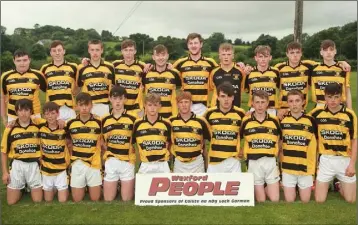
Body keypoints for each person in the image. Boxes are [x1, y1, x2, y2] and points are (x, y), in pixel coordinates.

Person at [275, 41, 352, 119]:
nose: (295, 55)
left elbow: (328, 62)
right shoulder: (278, 68)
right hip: (283, 110)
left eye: (298, 52)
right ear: (287, 54)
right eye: (292, 53)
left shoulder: (309, 66)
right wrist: (278, 109)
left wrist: (342, 62)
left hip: (302, 109)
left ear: (301, 53)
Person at [309, 82, 356, 203]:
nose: (333, 100)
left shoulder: (349, 115)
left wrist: (352, 164)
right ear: (325, 98)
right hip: (325, 160)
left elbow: (355, 140)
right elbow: (301, 119)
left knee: (350, 200)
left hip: (344, 160)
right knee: (319, 200)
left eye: (336, 97)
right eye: (329, 97)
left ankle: (339, 184)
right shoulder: (316, 113)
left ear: (341, 97)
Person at [240, 90, 281, 202]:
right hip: (254, 162)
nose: (260, 105)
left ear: (267, 103)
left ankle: (268, 186)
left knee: (275, 199)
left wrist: (277, 153)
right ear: (252, 103)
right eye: (257, 102)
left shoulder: (274, 120)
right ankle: (259, 187)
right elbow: (239, 138)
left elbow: (280, 139)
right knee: (261, 201)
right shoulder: (246, 121)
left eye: (263, 102)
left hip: (270, 161)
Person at [1, 99, 42, 205]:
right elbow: (4, 151)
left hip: (34, 164)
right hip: (17, 165)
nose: (23, 113)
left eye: (26, 110)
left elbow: (52, 122)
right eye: (20, 110)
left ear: (31, 111)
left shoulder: (38, 125)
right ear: (16, 112)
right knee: (11, 202)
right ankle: (22, 188)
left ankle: (28, 185)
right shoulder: (10, 128)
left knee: (37, 200)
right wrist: (5, 172)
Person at [279, 90, 317, 203]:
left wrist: (314, 169)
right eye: (291, 101)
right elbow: (279, 144)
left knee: (305, 200)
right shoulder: (282, 121)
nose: (294, 104)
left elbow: (316, 146)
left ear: (303, 102)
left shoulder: (310, 121)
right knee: (290, 200)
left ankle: (300, 187)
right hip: (287, 168)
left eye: (297, 101)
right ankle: (292, 187)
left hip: (305, 168)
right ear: (287, 103)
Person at [65, 92, 102, 202]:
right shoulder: (70, 123)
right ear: (76, 106)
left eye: (87, 105)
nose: (84, 108)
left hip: (93, 164)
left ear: (91, 105)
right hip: (77, 163)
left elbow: (104, 142)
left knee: (95, 199)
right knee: (77, 199)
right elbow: (67, 143)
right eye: (81, 105)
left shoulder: (99, 122)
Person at [101, 85, 136, 201]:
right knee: (108, 199)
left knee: (126, 199)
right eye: (115, 98)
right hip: (111, 160)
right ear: (110, 99)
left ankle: (123, 182)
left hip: (127, 161)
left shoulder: (133, 118)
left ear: (125, 99)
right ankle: (115, 183)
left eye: (120, 99)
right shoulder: (104, 119)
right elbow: (101, 140)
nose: (117, 102)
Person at [172, 33, 219, 116]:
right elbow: (165, 71)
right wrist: (149, 66)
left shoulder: (210, 63)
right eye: (191, 43)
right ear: (187, 45)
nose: (193, 46)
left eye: (196, 43)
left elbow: (224, 70)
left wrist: (239, 65)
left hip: (204, 107)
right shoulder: (180, 63)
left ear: (201, 44)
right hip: (186, 106)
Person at [204, 82, 245, 173]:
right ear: (217, 97)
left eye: (229, 96)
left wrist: (242, 148)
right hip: (215, 161)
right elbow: (202, 134)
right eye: (223, 96)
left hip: (233, 160)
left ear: (233, 97)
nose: (226, 100)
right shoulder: (209, 113)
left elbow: (246, 134)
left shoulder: (241, 114)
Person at [1, 50, 46, 124]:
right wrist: (3, 117)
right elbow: (2, 97)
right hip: (13, 116)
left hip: (34, 115)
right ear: (14, 61)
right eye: (18, 61)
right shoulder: (5, 76)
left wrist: (46, 113)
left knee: (35, 135)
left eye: (25, 60)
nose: (22, 63)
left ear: (29, 60)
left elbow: (49, 92)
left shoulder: (39, 75)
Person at [169, 91, 211, 172]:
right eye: (181, 102)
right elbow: (168, 144)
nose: (184, 105)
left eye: (186, 102)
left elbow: (206, 145)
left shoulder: (201, 121)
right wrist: (169, 166)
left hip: (197, 163)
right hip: (179, 164)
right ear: (177, 105)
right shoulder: (171, 121)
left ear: (191, 103)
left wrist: (207, 166)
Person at [132, 93, 172, 173]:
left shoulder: (167, 123)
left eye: (155, 105)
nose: (152, 108)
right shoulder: (137, 123)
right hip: (145, 165)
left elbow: (171, 143)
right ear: (145, 106)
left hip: (163, 164)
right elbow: (132, 144)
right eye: (150, 105)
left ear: (160, 106)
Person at [39, 101, 70, 202]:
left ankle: (62, 186)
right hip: (46, 170)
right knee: (48, 200)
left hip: (61, 169)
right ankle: (53, 188)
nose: (50, 116)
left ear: (58, 114)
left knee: (62, 201)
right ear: (43, 116)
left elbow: (70, 144)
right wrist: (13, 121)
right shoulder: (40, 127)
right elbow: (26, 119)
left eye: (53, 113)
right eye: (47, 114)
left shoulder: (65, 128)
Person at [41, 40, 78, 121]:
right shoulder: (45, 68)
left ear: (64, 51)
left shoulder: (73, 67)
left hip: (69, 108)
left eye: (59, 50)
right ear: (50, 53)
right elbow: (43, 88)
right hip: (52, 109)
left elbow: (78, 86)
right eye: (54, 51)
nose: (57, 53)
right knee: (54, 133)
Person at [77, 40, 115, 118]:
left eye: (97, 50)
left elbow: (113, 86)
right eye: (92, 50)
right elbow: (78, 87)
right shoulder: (82, 68)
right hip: (88, 107)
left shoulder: (110, 67)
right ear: (88, 50)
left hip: (104, 106)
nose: (95, 53)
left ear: (102, 50)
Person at [310, 40, 352, 109]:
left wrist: (350, 111)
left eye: (331, 50)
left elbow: (347, 92)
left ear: (335, 51)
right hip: (321, 107)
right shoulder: (313, 69)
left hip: (339, 107)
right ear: (321, 52)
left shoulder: (343, 68)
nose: (328, 52)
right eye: (325, 50)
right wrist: (343, 61)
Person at [143, 44, 182, 118]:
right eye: (157, 55)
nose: (160, 58)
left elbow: (182, 91)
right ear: (153, 57)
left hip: (169, 117)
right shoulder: (146, 73)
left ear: (167, 56)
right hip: (150, 118)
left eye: (163, 55)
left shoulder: (174, 74)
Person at [112, 39, 147, 118]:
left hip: (137, 108)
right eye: (126, 50)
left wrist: (168, 65)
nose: (128, 53)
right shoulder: (115, 65)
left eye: (131, 50)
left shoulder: (142, 66)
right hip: (119, 108)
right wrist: (87, 61)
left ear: (135, 51)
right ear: (122, 51)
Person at [244, 45, 280, 116]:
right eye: (260, 56)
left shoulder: (276, 72)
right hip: (254, 109)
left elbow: (282, 89)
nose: (263, 59)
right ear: (256, 58)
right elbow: (246, 90)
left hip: (271, 109)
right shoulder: (249, 72)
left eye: (266, 56)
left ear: (270, 57)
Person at [209, 43, 246, 108]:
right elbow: (211, 88)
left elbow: (242, 88)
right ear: (219, 56)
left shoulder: (240, 71)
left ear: (233, 56)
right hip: (216, 109)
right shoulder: (214, 72)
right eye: (223, 54)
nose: (226, 57)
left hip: (235, 109)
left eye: (229, 54)